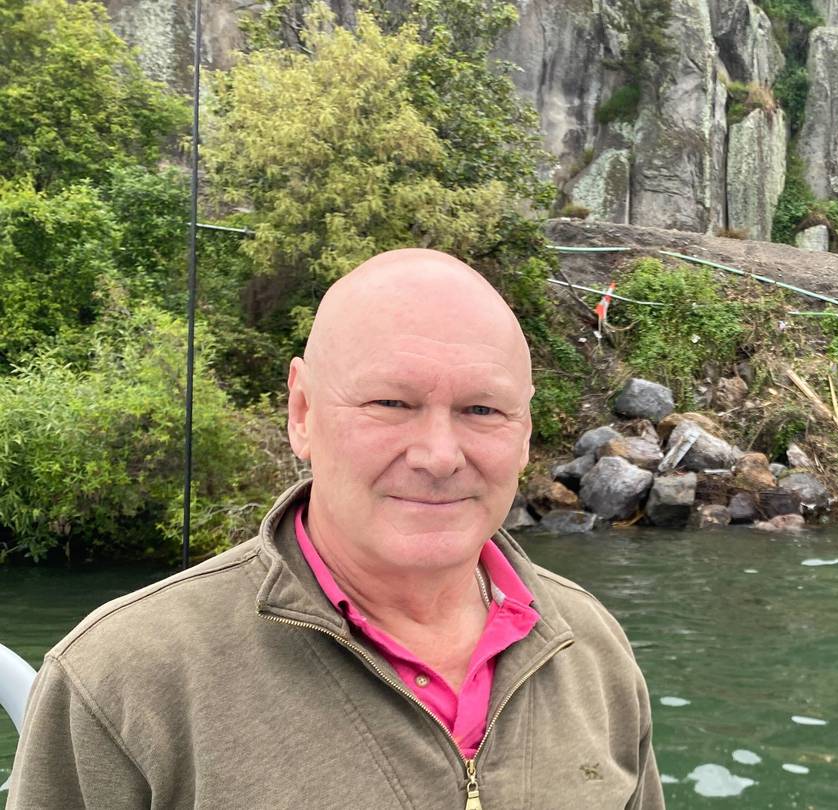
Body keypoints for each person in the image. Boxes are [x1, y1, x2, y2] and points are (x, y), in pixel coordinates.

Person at [7, 249, 664, 808]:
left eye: (482, 409)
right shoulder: (122, 681)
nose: (439, 454)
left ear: (523, 433)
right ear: (302, 412)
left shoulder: (593, 649)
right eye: (390, 403)